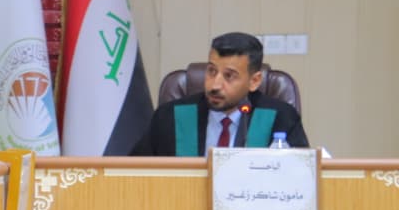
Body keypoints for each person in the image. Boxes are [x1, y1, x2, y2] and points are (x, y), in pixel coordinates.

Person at [132, 32, 309, 156]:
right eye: (211, 71)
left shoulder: (281, 119)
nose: (215, 85)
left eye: (229, 76)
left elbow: (300, 179)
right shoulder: (169, 117)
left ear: (254, 81)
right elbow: (133, 174)